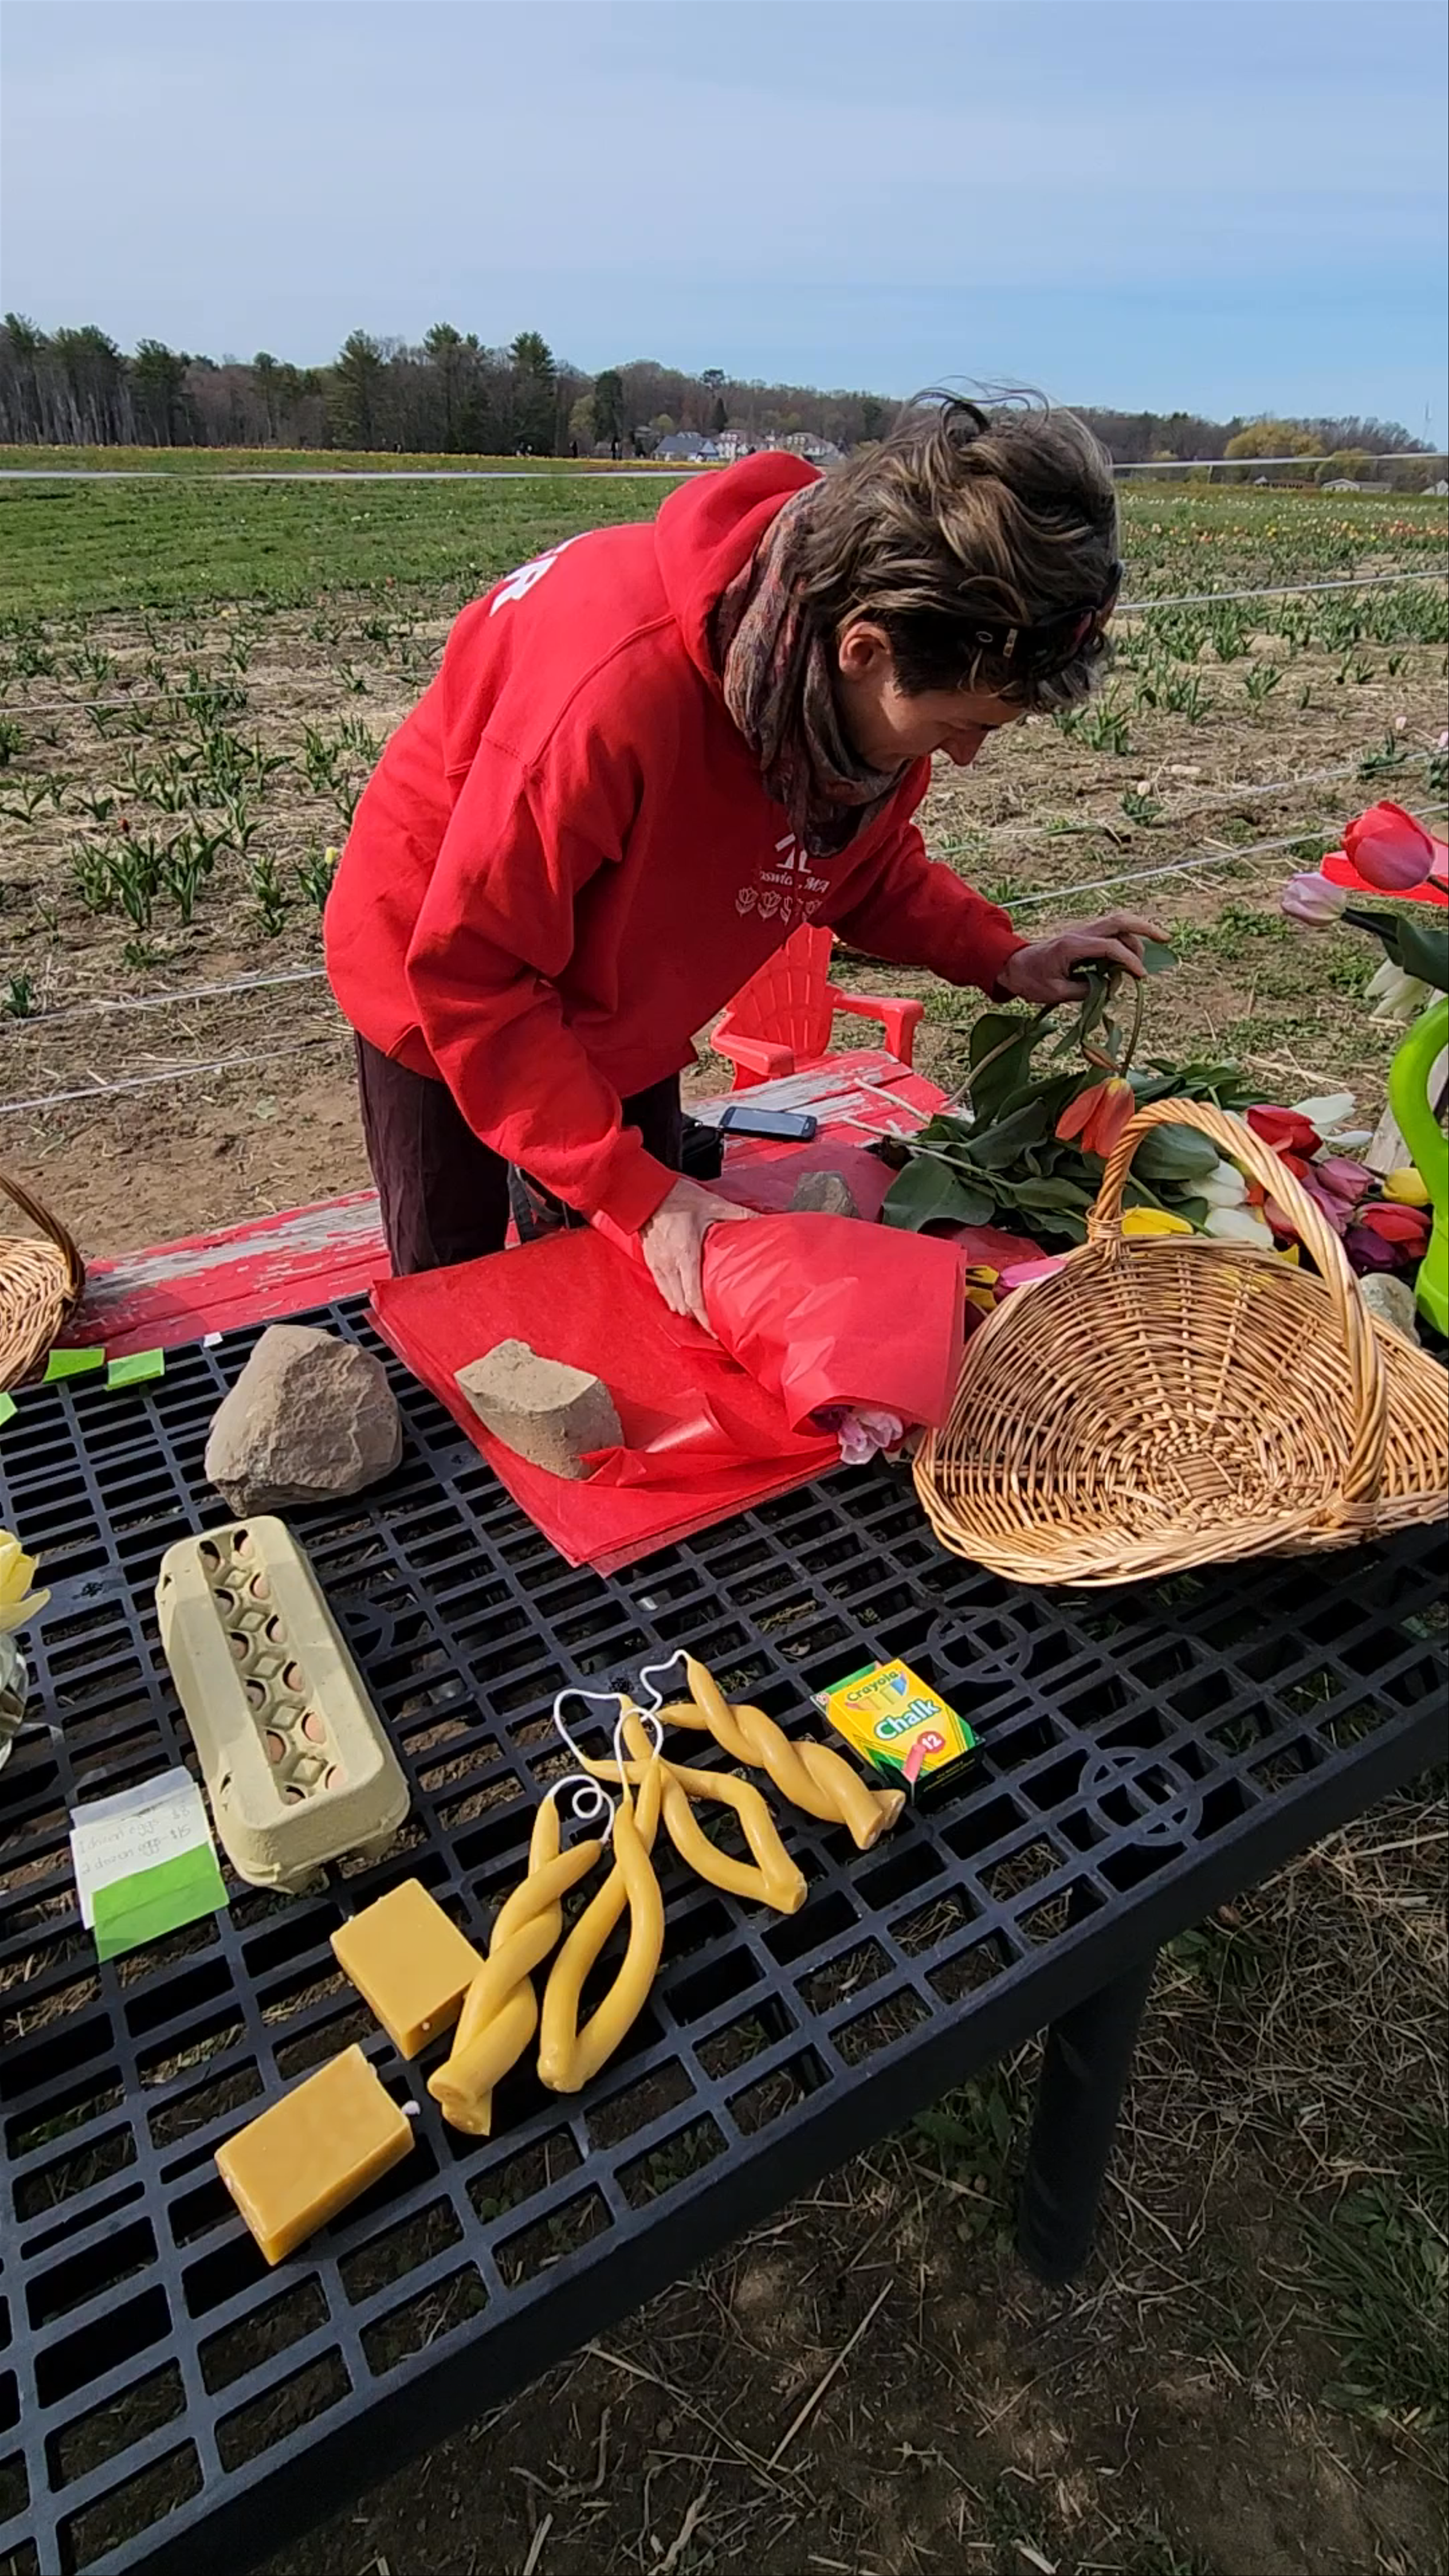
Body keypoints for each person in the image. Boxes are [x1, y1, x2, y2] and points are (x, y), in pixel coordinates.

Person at [326, 395, 1161, 1327]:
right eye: (960, 725)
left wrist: (1003, 956)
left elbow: (859, 866)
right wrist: (636, 1192)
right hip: (445, 963)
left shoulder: (848, 713)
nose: (963, 755)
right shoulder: (614, 697)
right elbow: (472, 971)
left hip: (627, 976)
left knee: (641, 1278)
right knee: (461, 1289)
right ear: (864, 650)